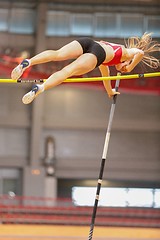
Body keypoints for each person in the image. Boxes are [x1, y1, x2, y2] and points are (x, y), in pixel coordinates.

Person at [11, 32, 160, 104]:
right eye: (121, 68)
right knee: (67, 71)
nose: (120, 69)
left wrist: (110, 91)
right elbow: (139, 53)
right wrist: (130, 66)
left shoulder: (110, 58)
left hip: (88, 43)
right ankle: (40, 88)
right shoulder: (126, 54)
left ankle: (28, 62)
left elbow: (105, 76)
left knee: (57, 54)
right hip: (97, 53)